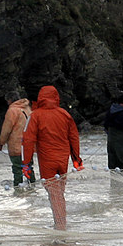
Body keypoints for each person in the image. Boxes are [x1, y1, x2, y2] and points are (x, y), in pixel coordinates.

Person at [22, 85, 82, 230]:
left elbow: (27, 140)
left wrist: (25, 164)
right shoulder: (65, 114)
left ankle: (60, 226)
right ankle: (60, 222)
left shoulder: (35, 116)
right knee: (59, 192)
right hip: (63, 160)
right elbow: (74, 138)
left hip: (47, 160)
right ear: (56, 97)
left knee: (54, 194)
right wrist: (76, 161)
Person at [0, 91, 36, 187]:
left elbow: (6, 129)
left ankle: (17, 190)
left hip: (16, 146)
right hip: (28, 146)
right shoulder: (28, 109)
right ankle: (33, 188)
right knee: (28, 167)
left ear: (9, 100)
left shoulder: (12, 111)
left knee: (17, 169)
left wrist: (1, 143)